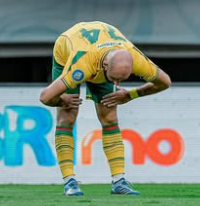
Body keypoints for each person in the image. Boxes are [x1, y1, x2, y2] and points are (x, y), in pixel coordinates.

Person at [39, 21, 171, 196]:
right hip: (68, 49)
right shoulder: (81, 64)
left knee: (110, 118)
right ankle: (69, 182)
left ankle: (119, 182)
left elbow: (165, 82)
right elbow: (45, 97)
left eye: (121, 80)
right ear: (106, 66)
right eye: (114, 79)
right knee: (67, 116)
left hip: (99, 54)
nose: (116, 84)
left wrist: (131, 94)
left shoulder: (135, 57)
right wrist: (59, 101)